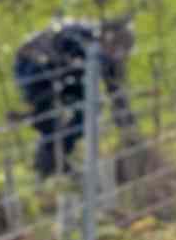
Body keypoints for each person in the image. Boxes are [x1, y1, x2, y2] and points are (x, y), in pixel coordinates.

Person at [13, 17, 136, 177]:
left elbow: (115, 89)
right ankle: (48, 162)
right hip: (34, 67)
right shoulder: (81, 35)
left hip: (64, 74)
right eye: (116, 47)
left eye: (122, 50)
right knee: (46, 116)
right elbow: (64, 51)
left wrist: (127, 124)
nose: (118, 53)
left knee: (90, 109)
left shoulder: (104, 54)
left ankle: (57, 155)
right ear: (107, 37)